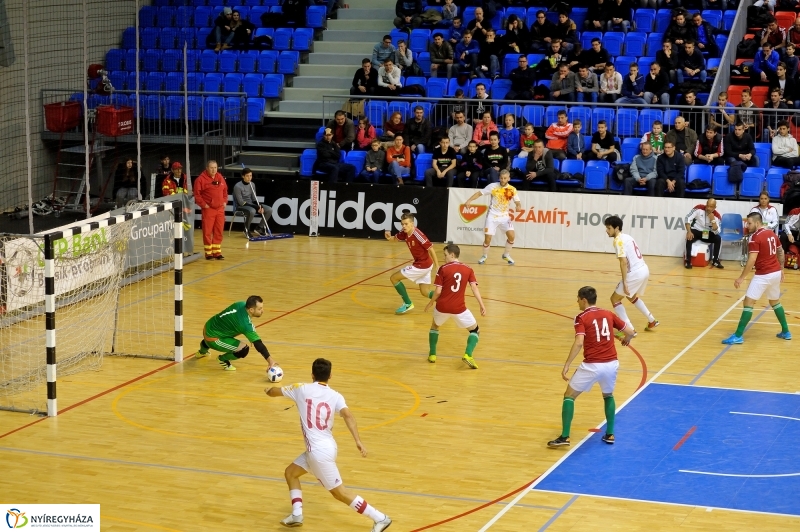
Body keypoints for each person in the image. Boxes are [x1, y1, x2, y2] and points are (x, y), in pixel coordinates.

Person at [265, 358, 392, 532]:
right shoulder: (336, 396)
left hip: (318, 453)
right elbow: (348, 416)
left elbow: (274, 392)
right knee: (291, 473)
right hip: (326, 447)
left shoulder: (300, 388)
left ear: (312, 374)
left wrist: (268, 390)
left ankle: (380, 518)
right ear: (330, 375)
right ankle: (296, 515)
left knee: (339, 493)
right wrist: (358, 441)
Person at [547, 286, 634, 448]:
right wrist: (625, 338)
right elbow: (630, 331)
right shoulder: (608, 313)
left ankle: (565, 436)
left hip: (592, 365)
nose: (577, 302)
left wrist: (567, 364)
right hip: (611, 364)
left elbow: (579, 342)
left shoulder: (581, 317)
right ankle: (610, 434)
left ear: (584, 300)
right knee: (608, 395)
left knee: (569, 396)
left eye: (578, 299)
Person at [722, 212, 791, 344]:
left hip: (764, 275)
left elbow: (752, 259)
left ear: (757, 223)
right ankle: (786, 331)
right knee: (775, 302)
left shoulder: (754, 237)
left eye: (749, 223)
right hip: (775, 273)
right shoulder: (772, 233)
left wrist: (741, 278)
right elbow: (780, 251)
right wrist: (782, 269)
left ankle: (738, 336)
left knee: (748, 302)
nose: (747, 226)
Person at [425, 244, 487, 368]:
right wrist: (481, 305)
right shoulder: (468, 269)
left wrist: (431, 302)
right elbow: (474, 288)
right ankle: (468, 355)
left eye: (445, 255)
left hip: (442, 307)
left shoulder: (443, 269)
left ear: (452, 255)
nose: (444, 258)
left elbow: (437, 291)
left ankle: (432, 354)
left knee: (435, 326)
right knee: (475, 330)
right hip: (459, 308)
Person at [605, 215, 659, 335]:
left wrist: (625, 281)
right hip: (644, 269)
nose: (606, 231)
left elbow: (623, 262)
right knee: (631, 296)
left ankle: (629, 329)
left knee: (614, 299)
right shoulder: (627, 236)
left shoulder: (618, 240)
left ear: (616, 228)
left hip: (635, 273)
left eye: (609, 228)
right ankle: (652, 320)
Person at [195, 295, 279, 371]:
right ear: (251, 309)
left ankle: (202, 352)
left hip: (209, 326)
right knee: (243, 350)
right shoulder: (245, 325)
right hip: (213, 338)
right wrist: (270, 361)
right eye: (260, 309)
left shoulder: (241, 304)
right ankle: (222, 359)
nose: (262, 311)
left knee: (225, 332)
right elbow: (258, 344)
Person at [464, 169, 522, 265]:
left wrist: (518, 206)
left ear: (509, 179)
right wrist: (469, 200)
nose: (503, 180)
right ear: (499, 178)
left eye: (505, 178)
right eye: (501, 178)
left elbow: (517, 201)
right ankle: (484, 256)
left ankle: (506, 255)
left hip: (505, 217)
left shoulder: (512, 189)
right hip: (492, 216)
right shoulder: (493, 186)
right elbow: (479, 193)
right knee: (488, 238)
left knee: (512, 236)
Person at [385, 211, 438, 314]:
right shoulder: (404, 232)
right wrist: (389, 238)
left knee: (394, 278)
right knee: (425, 292)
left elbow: (431, 248)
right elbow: (395, 239)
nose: (404, 226)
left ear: (412, 224)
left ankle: (408, 303)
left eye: (406, 224)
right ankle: (445, 300)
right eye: (402, 224)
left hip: (421, 265)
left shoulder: (418, 235)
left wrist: (438, 266)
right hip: (426, 264)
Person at [194, 160, 228, 260]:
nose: (213, 170)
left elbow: (225, 191)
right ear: (207, 168)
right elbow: (197, 195)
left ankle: (217, 252)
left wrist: (224, 201)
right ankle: (208, 253)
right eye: (211, 168)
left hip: (220, 209)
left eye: (215, 168)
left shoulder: (220, 177)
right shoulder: (200, 179)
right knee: (207, 231)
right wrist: (204, 205)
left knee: (219, 231)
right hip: (209, 209)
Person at [684, 199, 723, 269]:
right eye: (708, 205)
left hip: (707, 233)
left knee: (718, 239)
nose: (708, 208)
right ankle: (688, 261)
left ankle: (715, 260)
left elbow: (717, 232)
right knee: (689, 237)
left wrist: (713, 220)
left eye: (711, 207)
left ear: (715, 207)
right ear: (706, 204)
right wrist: (689, 231)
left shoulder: (717, 216)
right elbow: (687, 218)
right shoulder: (698, 208)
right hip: (696, 230)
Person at [233, 168, 271, 238]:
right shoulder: (237, 186)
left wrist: (260, 206)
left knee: (269, 209)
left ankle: (259, 228)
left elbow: (254, 199)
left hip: (251, 204)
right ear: (243, 176)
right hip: (241, 206)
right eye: (247, 176)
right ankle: (246, 229)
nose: (249, 178)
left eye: (250, 176)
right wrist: (256, 207)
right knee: (252, 211)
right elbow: (241, 202)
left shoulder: (252, 184)